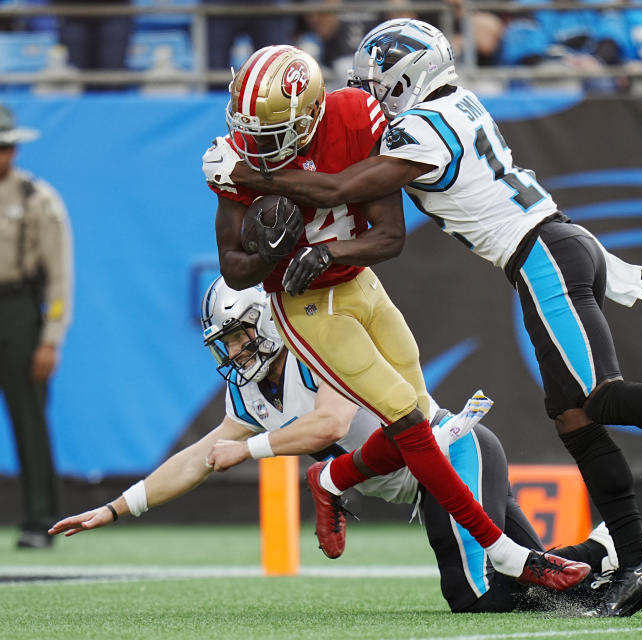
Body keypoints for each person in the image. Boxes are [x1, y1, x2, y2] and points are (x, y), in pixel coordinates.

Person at [201, 19, 642, 617]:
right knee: (572, 417)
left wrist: (247, 175)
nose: (371, 93)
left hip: (542, 255)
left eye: (378, 81)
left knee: (600, 400)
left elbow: (335, 191)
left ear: (408, 77)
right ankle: (634, 561)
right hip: (555, 247)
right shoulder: (455, 104)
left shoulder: (421, 130)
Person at [201, 45, 588, 593]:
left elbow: (388, 236)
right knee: (408, 423)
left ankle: (331, 476)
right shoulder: (234, 156)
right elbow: (234, 269)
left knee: (425, 424)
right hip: (305, 304)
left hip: (359, 283)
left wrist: (327, 251)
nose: (257, 147)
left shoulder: (355, 117)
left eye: (271, 133)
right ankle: (510, 555)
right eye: (249, 132)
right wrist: (274, 253)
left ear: (311, 113)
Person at [49, 278, 599, 612]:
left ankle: (602, 555)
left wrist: (252, 449)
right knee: (546, 579)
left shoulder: (317, 347)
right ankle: (613, 560)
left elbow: (331, 425)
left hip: (454, 452)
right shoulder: (249, 390)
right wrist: (117, 507)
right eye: (227, 341)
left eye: (239, 335)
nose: (234, 350)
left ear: (264, 321)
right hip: (417, 479)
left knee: (473, 594)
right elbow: (198, 456)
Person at [0, 103, 73, 549]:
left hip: (19, 309)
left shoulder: (36, 199)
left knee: (29, 417)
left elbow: (60, 274)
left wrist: (51, 336)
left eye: (7, 147)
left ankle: (40, 518)